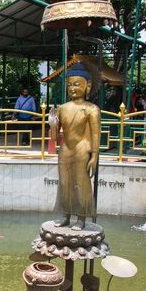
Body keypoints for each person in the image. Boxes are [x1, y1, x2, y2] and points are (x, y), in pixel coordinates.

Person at [50, 64, 100, 231]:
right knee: (65, 183)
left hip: (82, 149)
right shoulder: (62, 108)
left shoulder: (92, 109)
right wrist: (52, 125)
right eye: (70, 84)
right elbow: (55, 137)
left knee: (81, 184)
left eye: (77, 84)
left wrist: (94, 155)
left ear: (88, 86)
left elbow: (95, 134)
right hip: (66, 149)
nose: (73, 88)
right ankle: (65, 215)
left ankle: (81, 218)